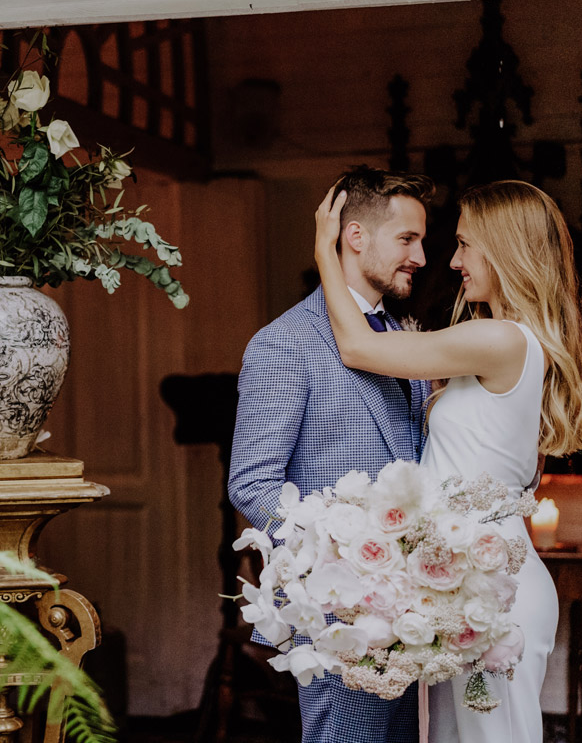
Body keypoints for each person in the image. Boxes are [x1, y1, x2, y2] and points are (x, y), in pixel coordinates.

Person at [313, 179, 582, 742]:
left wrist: (326, 251)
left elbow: (358, 348)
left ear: (503, 248)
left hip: (493, 594)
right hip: (473, 585)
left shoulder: (500, 339)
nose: (452, 259)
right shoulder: (505, 341)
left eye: (465, 244)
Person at [229, 165, 435, 743]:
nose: (421, 256)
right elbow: (252, 483)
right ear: (355, 237)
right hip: (337, 613)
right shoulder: (283, 344)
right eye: (407, 239)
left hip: (415, 613)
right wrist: (340, 564)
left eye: (422, 240)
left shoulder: (402, 338)